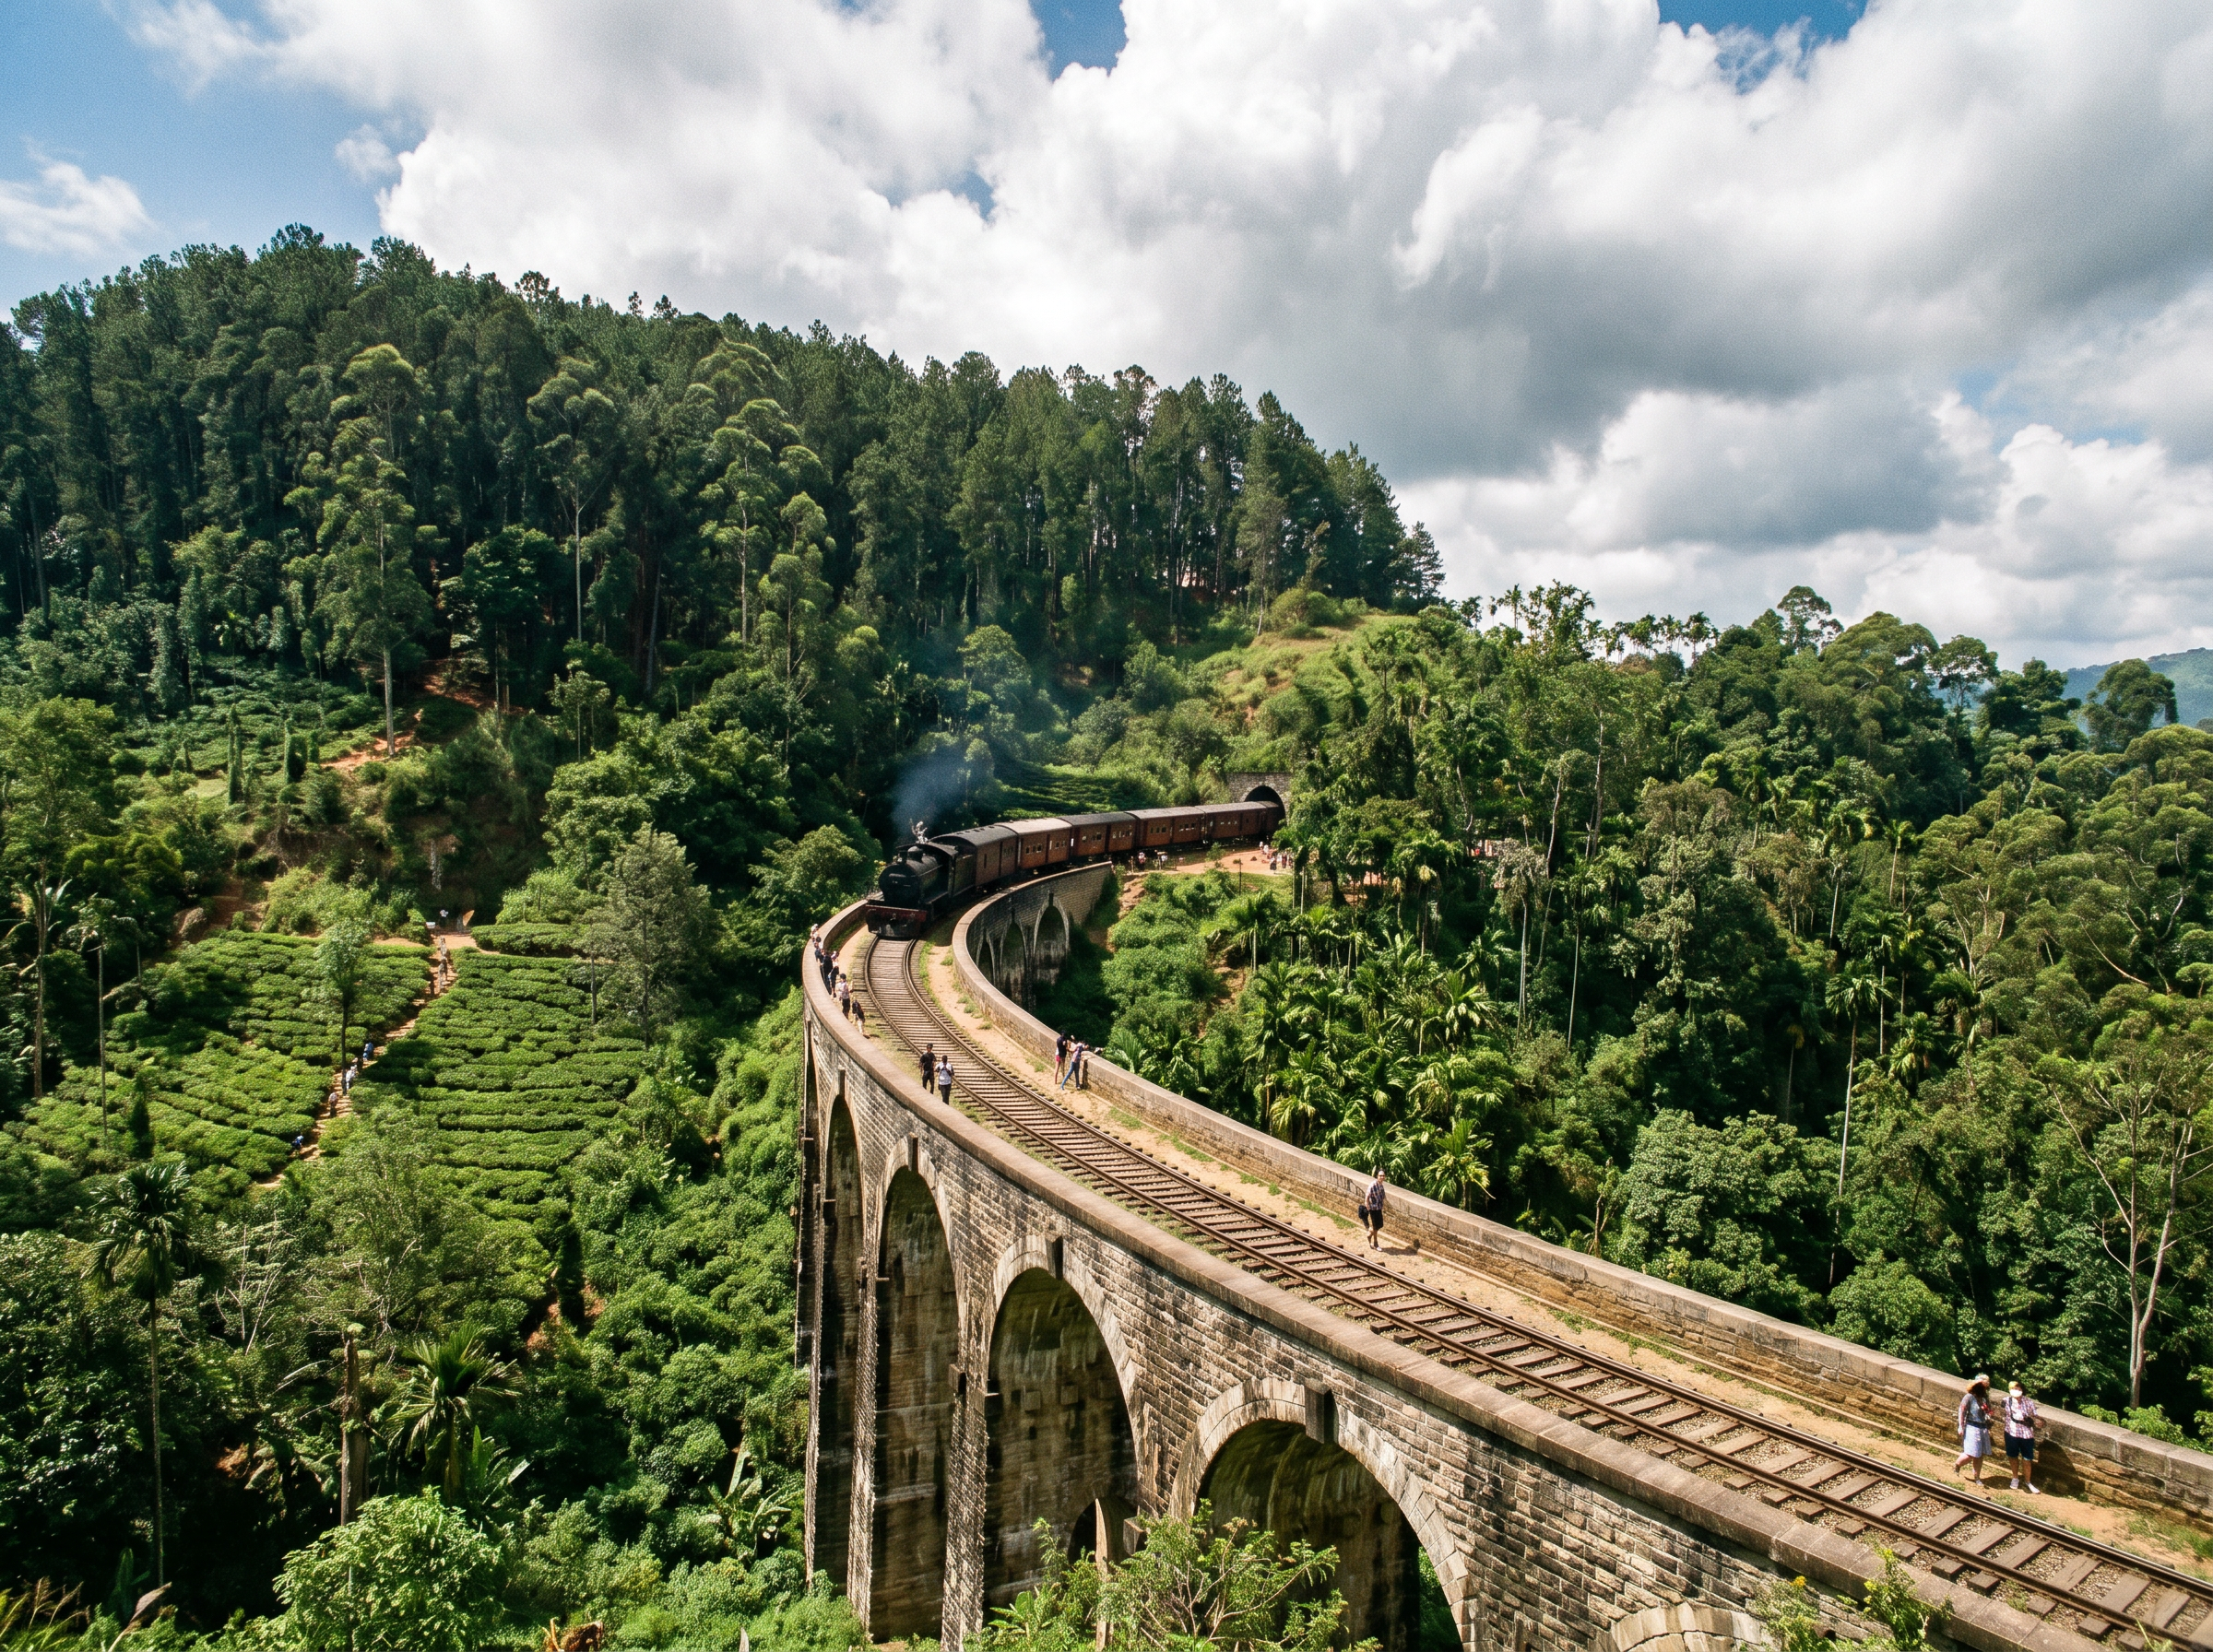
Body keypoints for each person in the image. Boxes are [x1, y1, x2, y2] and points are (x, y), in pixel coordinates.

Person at [1956, 1375, 1993, 1488]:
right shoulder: (1969, 1397)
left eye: (1985, 1386)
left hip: (1983, 1428)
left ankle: (1977, 1477)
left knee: (1980, 1455)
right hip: (1972, 1426)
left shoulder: (1984, 1399)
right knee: (1971, 1453)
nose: (1984, 1388)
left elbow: (1990, 1412)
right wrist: (1960, 1426)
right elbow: (1961, 1411)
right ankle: (1957, 1465)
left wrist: (1988, 1414)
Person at [2004, 1380, 2041, 1493]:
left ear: (2022, 1390)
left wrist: (2035, 1421)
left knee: (2027, 1458)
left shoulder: (2029, 1402)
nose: (2017, 1391)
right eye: (2014, 1389)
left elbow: (2036, 1417)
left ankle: (2028, 1481)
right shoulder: (2006, 1401)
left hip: (2026, 1433)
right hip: (2011, 1432)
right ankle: (2015, 1478)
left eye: (2019, 1389)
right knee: (2012, 1455)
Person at [1363, 1170, 1388, 1249]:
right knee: (1375, 1226)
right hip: (1373, 1208)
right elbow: (1367, 1194)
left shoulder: (1381, 1186)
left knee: (1380, 1225)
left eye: (1383, 1176)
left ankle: (1369, 1234)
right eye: (1380, 1176)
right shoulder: (1373, 1184)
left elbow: (1383, 1196)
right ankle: (1375, 1243)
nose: (1382, 1177)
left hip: (1379, 1207)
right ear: (1377, 1176)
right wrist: (1366, 1203)